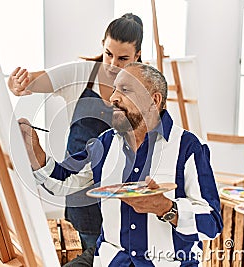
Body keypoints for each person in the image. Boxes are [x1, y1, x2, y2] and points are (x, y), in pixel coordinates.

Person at [19, 62, 223, 266]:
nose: (112, 97)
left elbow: (212, 223)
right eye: (115, 89)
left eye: (125, 90)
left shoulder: (188, 147)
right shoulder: (105, 143)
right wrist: (33, 150)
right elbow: (63, 181)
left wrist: (166, 208)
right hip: (111, 260)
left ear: (154, 99)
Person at [8, 13, 144, 251]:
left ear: (137, 56)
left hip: (124, 196)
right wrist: (17, 84)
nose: (112, 65)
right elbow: (30, 82)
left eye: (123, 58)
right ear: (102, 44)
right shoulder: (82, 74)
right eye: (108, 54)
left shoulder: (143, 87)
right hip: (81, 195)